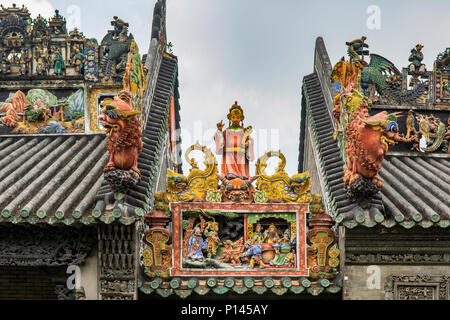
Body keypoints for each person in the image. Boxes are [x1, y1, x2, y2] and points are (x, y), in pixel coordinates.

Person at [214, 102, 254, 178]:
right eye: (233, 117)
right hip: (229, 153)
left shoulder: (244, 132)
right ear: (230, 118)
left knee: (241, 163)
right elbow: (220, 141)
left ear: (241, 119)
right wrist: (219, 131)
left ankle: (242, 175)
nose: (235, 119)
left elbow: (251, 140)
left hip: (241, 154)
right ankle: (230, 174)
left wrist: (248, 143)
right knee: (229, 160)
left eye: (237, 117)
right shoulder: (226, 131)